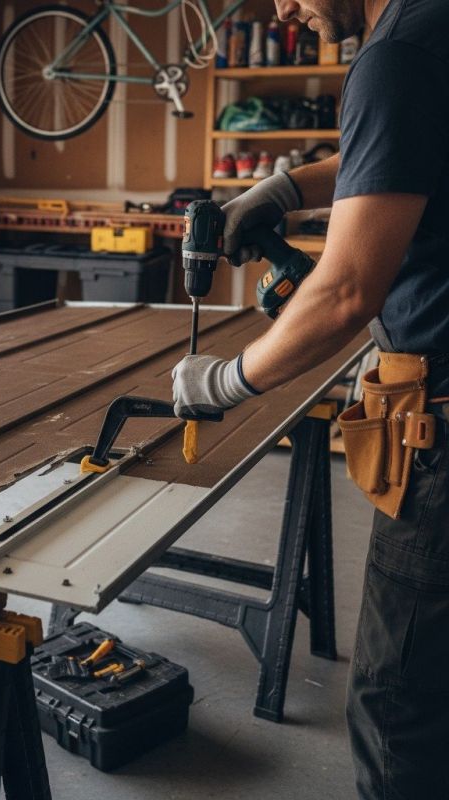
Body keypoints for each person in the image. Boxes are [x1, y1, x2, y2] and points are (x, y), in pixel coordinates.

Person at [172, 0, 449, 797]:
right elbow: (402, 155)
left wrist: (229, 379)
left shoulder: (396, 54)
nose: (283, 8)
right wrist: (288, 186)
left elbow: (344, 291)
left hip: (446, 434)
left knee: (401, 713)